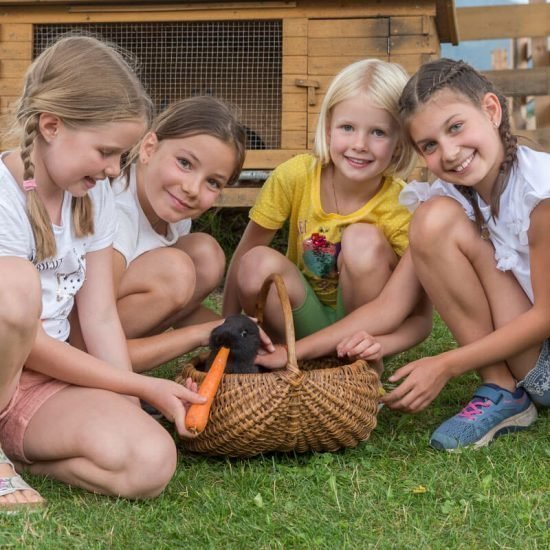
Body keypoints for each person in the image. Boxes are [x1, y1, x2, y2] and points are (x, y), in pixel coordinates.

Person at [0, 34, 207, 504]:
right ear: (51, 126)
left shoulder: (93, 197)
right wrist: (139, 383)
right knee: (13, 284)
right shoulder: (5, 196)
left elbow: (99, 317)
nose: (115, 169)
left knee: (152, 462)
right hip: (7, 365)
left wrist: (129, 404)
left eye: (122, 156)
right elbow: (24, 339)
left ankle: (14, 451)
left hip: (38, 385)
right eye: (106, 152)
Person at [381, 58, 549, 450]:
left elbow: (545, 315)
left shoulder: (540, 192)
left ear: (491, 110)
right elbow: (392, 304)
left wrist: (446, 365)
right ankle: (502, 389)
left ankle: (503, 388)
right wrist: (301, 350)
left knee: (434, 218)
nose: (451, 152)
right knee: (431, 219)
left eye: (456, 127)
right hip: (533, 358)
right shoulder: (453, 194)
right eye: (430, 145)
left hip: (546, 368)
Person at [224, 59, 432, 374]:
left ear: (400, 142)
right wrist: (225, 334)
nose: (359, 145)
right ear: (327, 127)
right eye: (347, 128)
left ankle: (360, 371)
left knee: (362, 239)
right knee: (255, 262)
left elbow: (421, 320)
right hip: (301, 324)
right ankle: (285, 358)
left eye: (378, 132)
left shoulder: (401, 207)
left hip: (365, 333)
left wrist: (380, 345)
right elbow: (243, 256)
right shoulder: (295, 176)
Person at [108, 96, 273, 373]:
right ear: (149, 148)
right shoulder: (115, 216)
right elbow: (83, 339)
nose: (193, 188)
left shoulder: (170, 213)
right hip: (80, 343)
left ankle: (132, 358)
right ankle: (120, 370)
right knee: (177, 269)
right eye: (185, 163)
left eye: (212, 182)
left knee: (205, 255)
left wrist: (241, 337)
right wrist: (202, 334)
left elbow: (175, 307)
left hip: (110, 326)